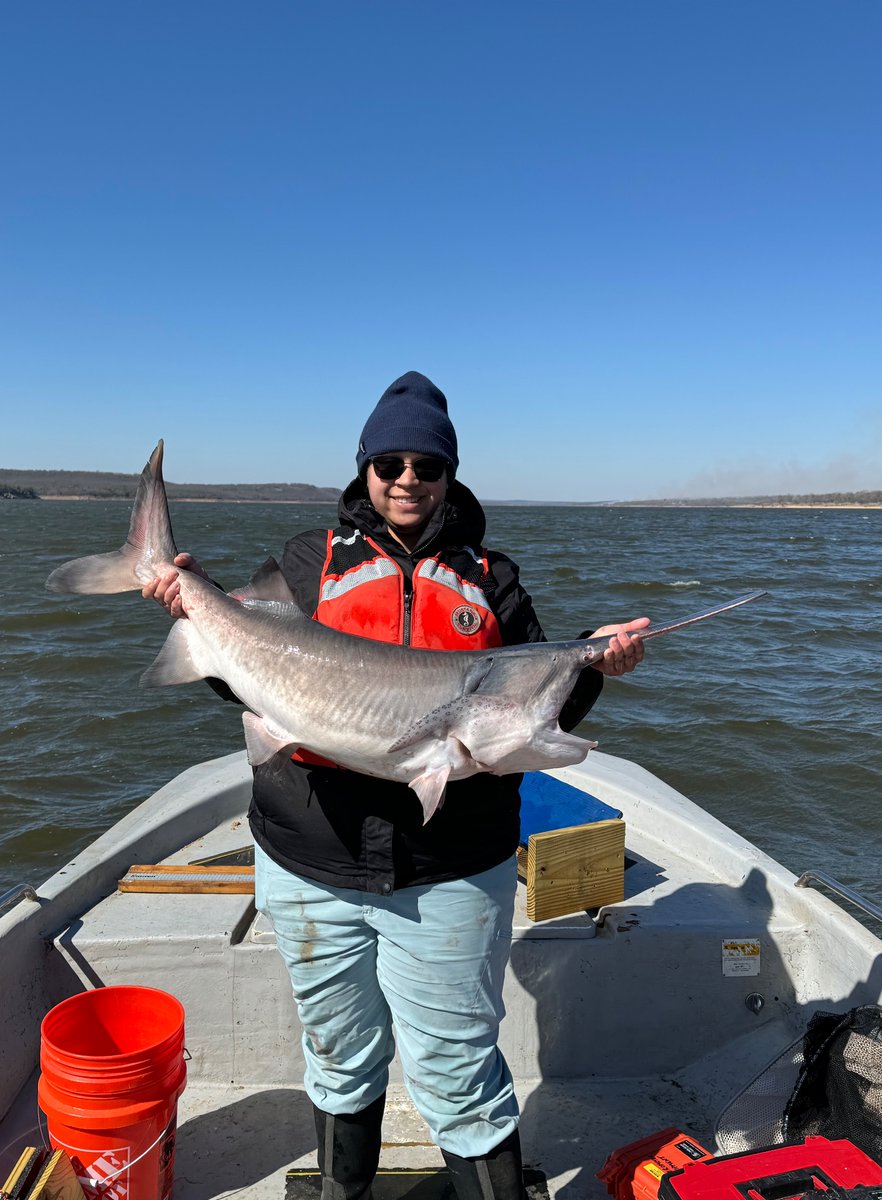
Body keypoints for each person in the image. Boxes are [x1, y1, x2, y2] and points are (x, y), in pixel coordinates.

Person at [144, 371, 647, 1200]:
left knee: (458, 1067)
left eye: (427, 465)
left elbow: (526, 699)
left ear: (450, 475)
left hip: (449, 869)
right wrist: (191, 609)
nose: (407, 478)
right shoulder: (310, 561)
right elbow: (249, 684)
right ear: (365, 469)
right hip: (311, 859)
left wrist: (593, 659)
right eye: (390, 463)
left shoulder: (493, 577)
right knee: (338, 1054)